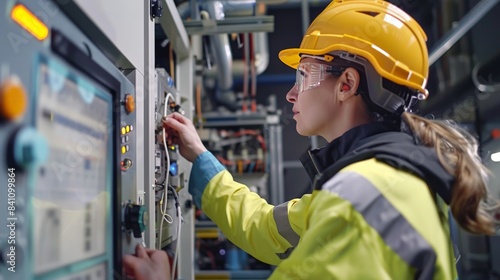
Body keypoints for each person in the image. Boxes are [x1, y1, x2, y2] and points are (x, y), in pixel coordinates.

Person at [124, 0, 497, 279]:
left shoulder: (361, 196)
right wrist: (201, 157)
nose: (291, 93)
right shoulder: (384, 183)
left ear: (347, 84)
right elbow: (266, 228)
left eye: (304, 75)